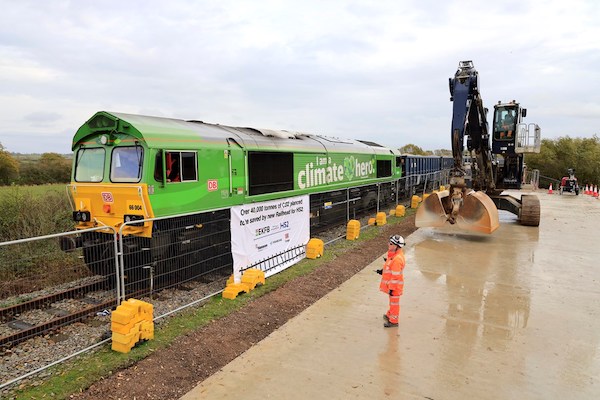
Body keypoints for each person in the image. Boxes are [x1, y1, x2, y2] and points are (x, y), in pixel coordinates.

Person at [376, 234, 406, 328]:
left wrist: (392, 289)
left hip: (395, 287)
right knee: (392, 303)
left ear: (396, 246)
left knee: (394, 304)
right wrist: (383, 272)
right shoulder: (394, 255)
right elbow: (390, 268)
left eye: (391, 243)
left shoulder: (397, 259)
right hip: (393, 287)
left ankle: (393, 321)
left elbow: (395, 277)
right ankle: (390, 315)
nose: (388, 244)